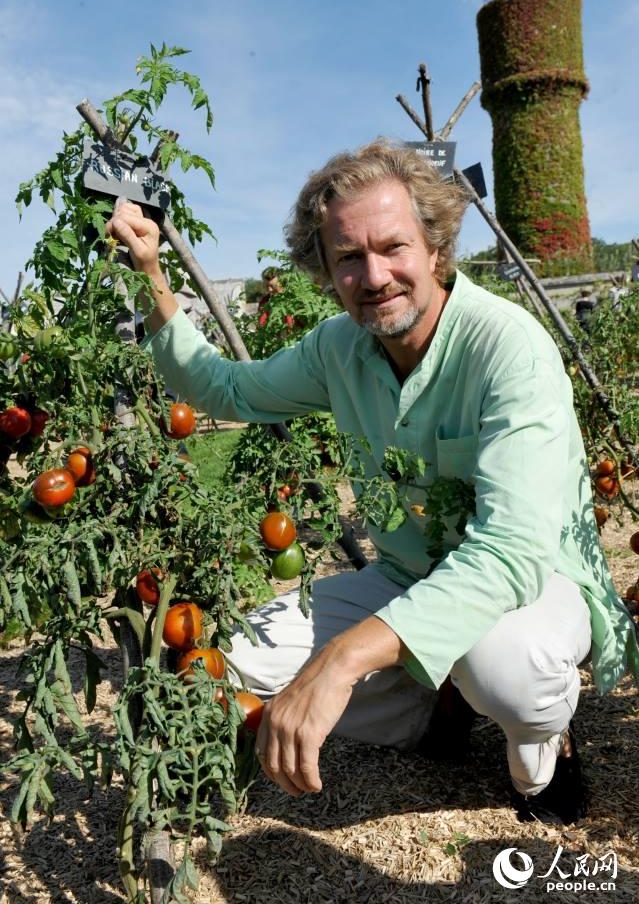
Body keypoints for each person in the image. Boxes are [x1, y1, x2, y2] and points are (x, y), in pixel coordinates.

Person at [107, 140, 638, 826]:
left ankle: (540, 760)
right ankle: (431, 702)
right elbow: (227, 389)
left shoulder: (506, 347)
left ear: (435, 248)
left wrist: (340, 661)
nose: (375, 274)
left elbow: (508, 553)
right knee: (230, 658)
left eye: (393, 247)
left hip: (534, 581)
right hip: (409, 572)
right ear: (325, 271)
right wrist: (151, 271)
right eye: (349, 258)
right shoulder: (338, 349)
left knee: (506, 662)